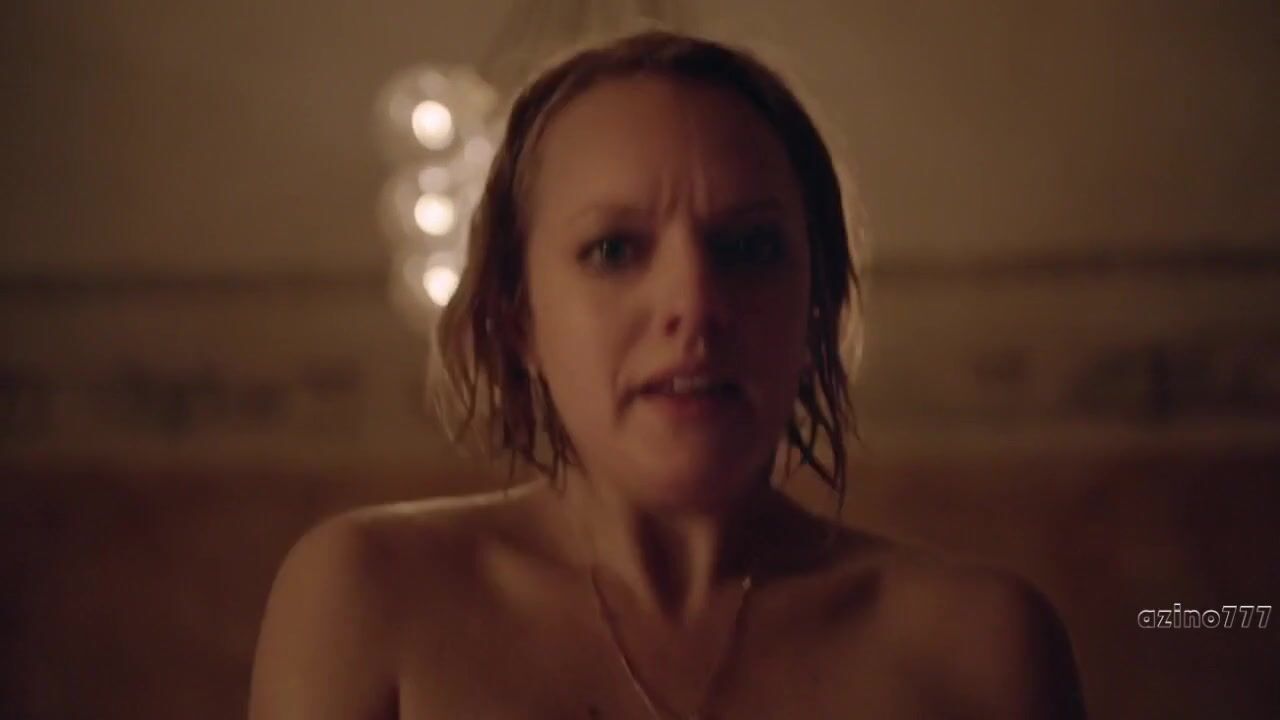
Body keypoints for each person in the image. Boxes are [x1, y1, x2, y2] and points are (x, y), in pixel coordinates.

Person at [248, 29, 1086, 719]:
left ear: (816, 306)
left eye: (748, 246)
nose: (694, 304)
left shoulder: (980, 648)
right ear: (519, 318)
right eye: (614, 249)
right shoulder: (365, 598)